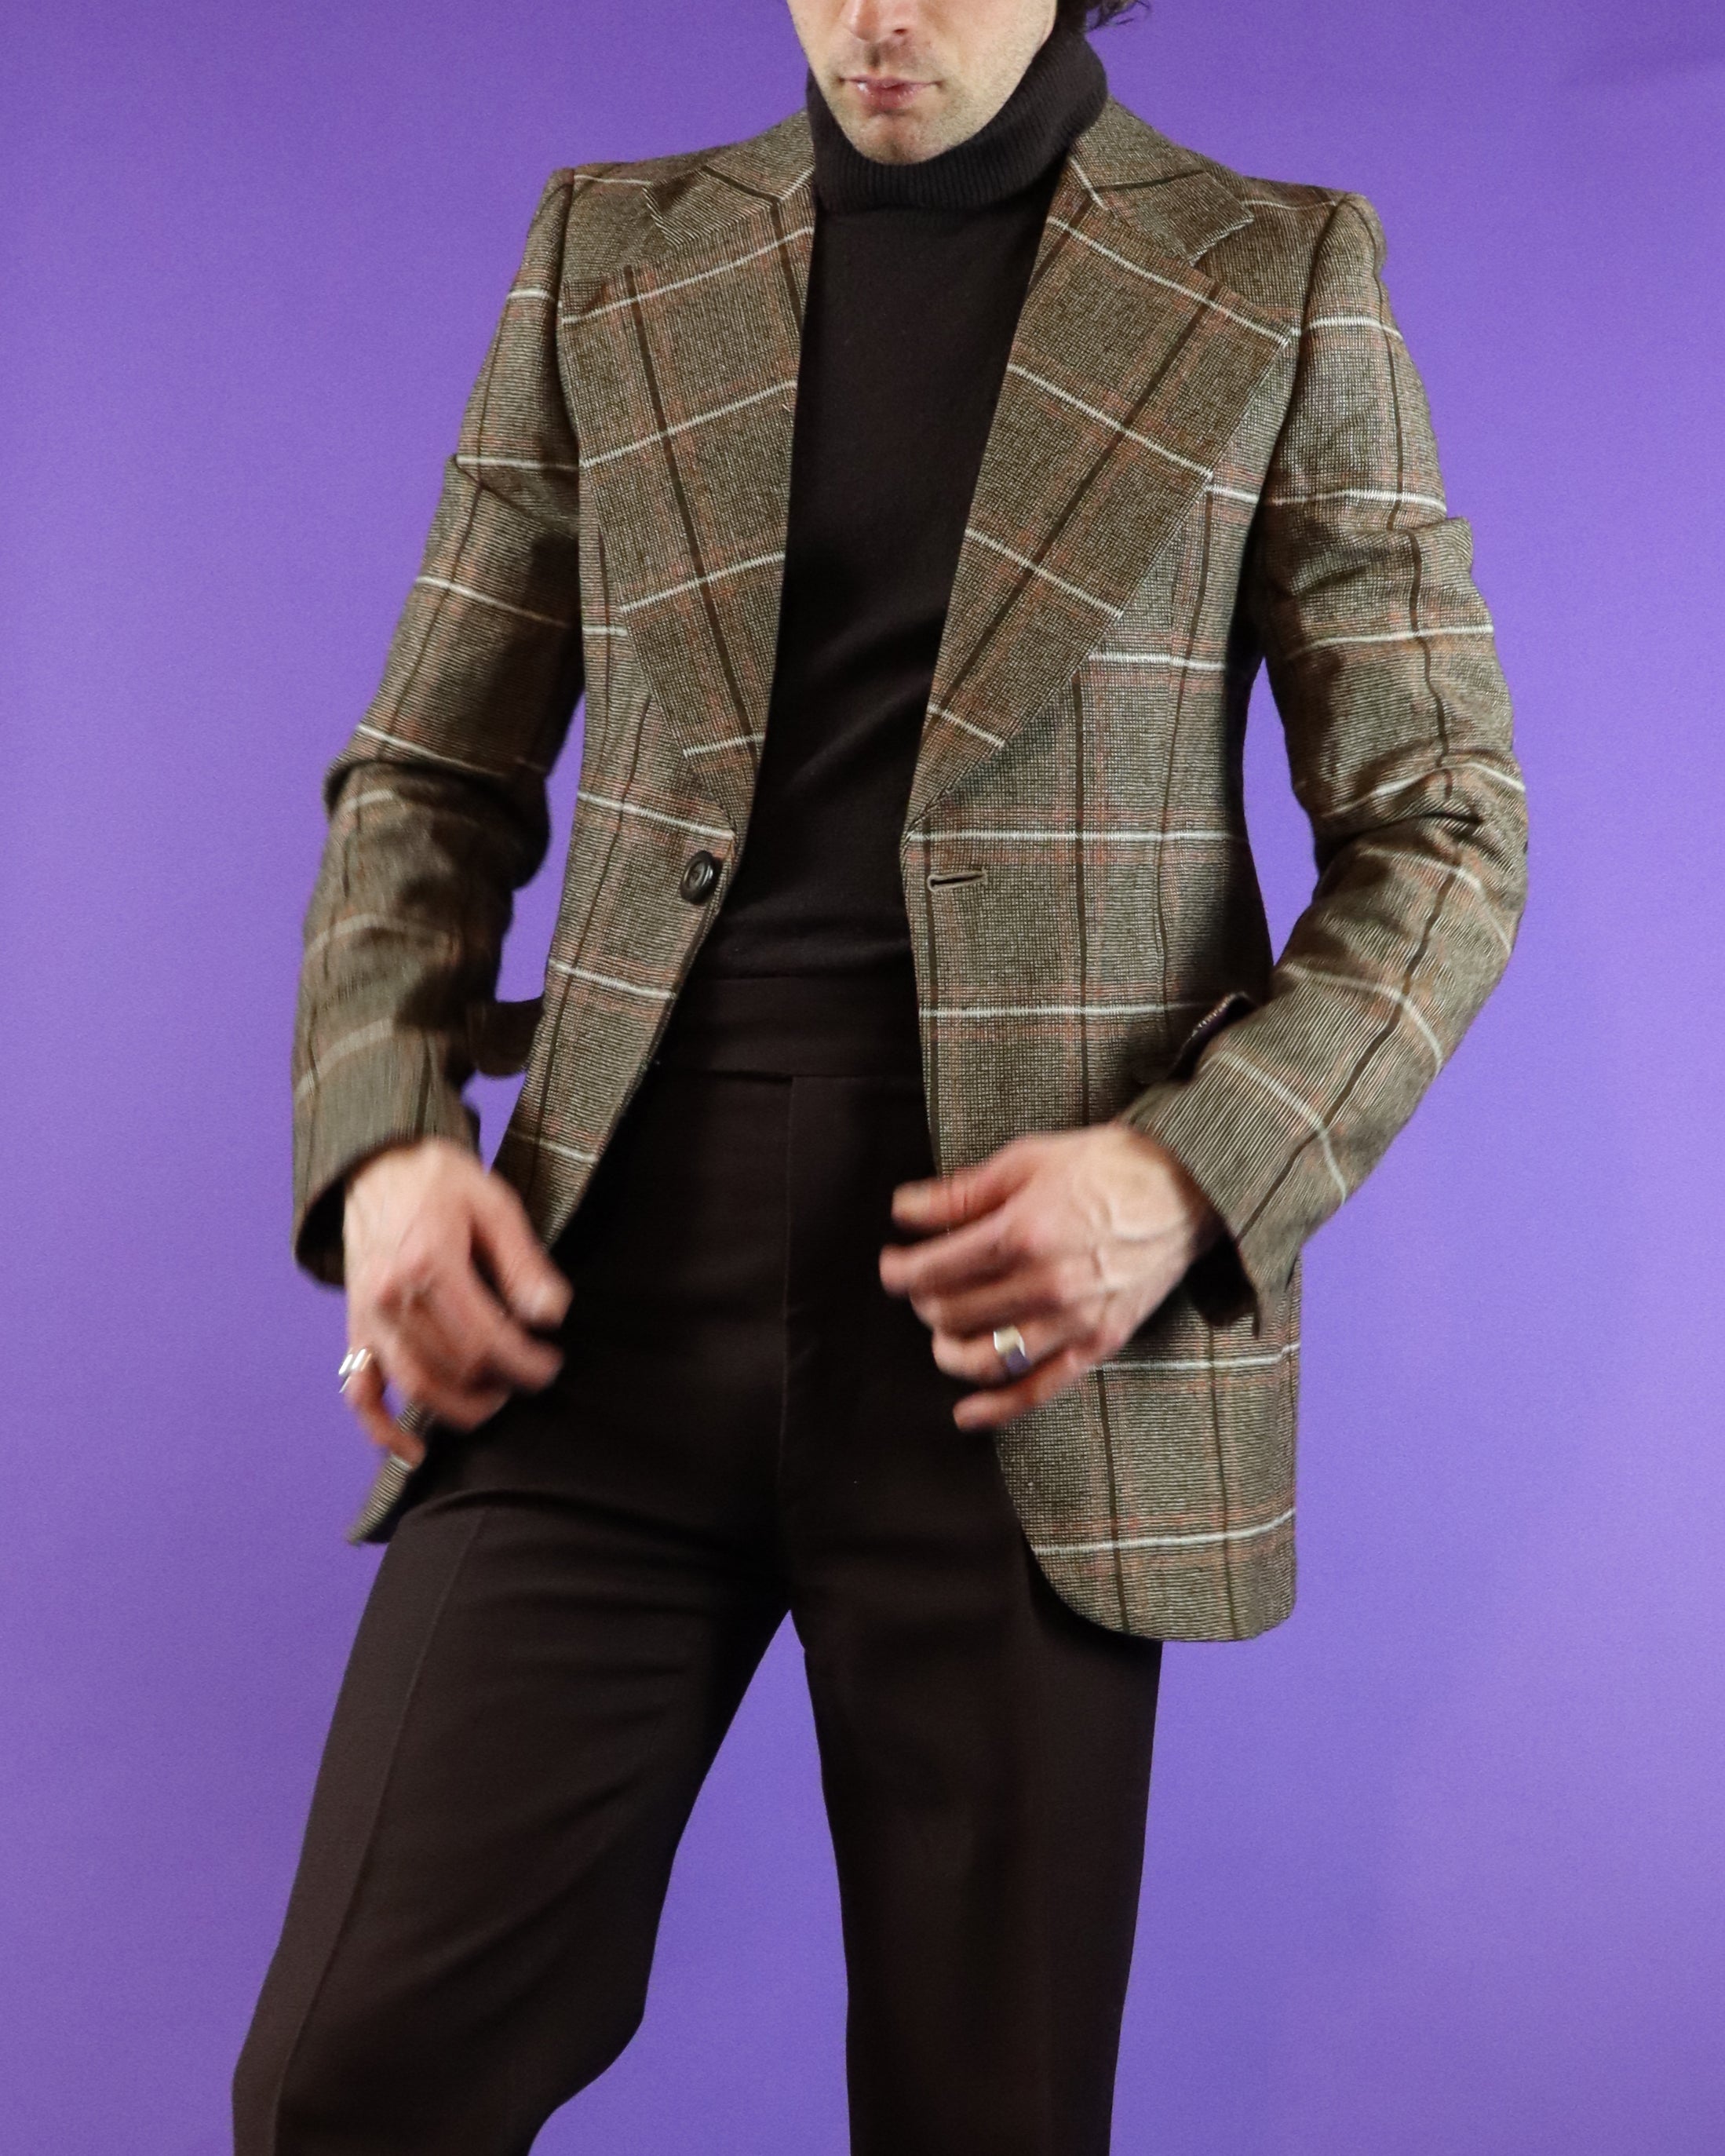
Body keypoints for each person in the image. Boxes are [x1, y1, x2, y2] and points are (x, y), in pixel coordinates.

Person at [235, 0, 1526, 2147]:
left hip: (1017, 1348)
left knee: (980, 2112)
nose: (878, 17)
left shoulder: (1273, 274)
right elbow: (427, 775)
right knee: (347, 2078)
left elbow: (1444, 829)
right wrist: (384, 1147)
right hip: (602, 1293)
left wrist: (1187, 1178)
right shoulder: (613, 255)